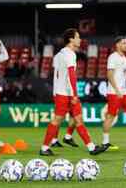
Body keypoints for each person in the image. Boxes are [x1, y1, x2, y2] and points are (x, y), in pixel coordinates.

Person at [39, 28, 104, 156]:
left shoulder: (58, 55)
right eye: (78, 37)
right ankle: (44, 147)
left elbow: (57, 75)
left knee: (78, 119)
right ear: (71, 39)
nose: (80, 40)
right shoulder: (70, 54)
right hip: (66, 93)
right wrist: (74, 94)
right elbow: (71, 75)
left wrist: (56, 93)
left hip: (60, 92)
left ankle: (91, 147)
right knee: (57, 120)